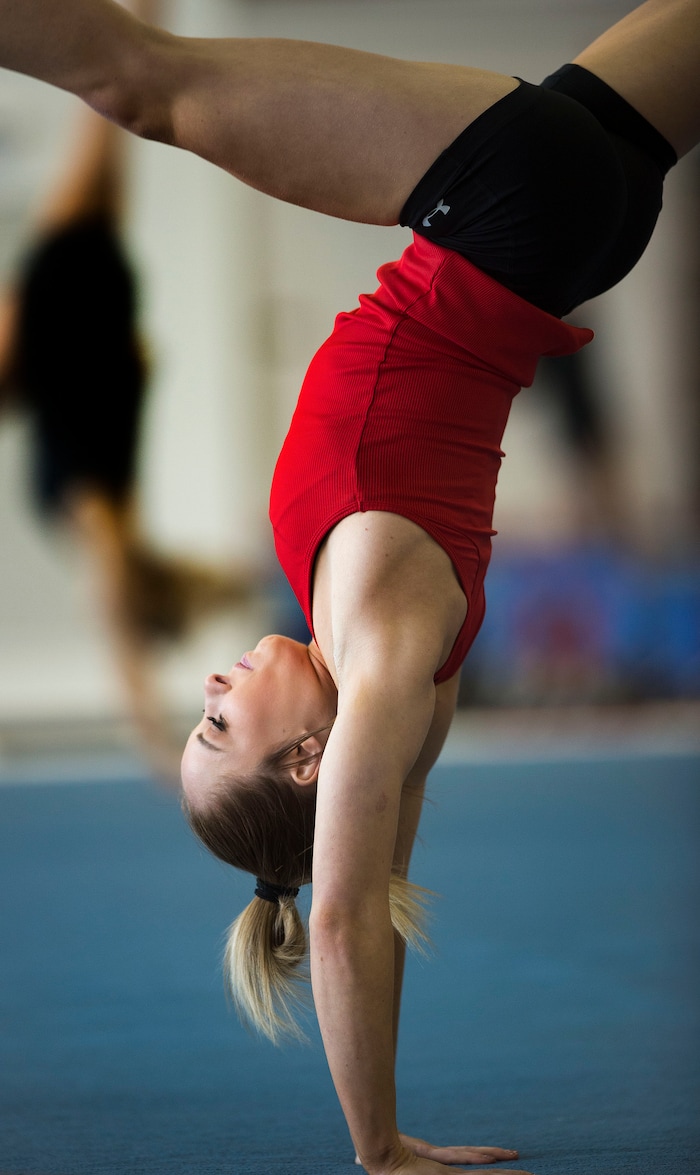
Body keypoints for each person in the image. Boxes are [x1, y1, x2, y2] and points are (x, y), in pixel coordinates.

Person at [1, 1, 698, 1171]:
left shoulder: (395, 685)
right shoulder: (379, 656)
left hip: (575, 220)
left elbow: (366, 870)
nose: (212, 684)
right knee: (139, 83)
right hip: (496, 216)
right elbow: (343, 910)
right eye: (218, 723)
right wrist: (375, 1143)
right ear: (308, 762)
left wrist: (331, 859)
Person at [0, 48, 260, 784]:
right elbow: (118, 614)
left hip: (79, 318)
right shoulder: (102, 508)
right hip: (82, 315)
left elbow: (116, 618)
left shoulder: (94, 506)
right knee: (116, 99)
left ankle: (142, 20)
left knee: (114, 100)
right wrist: (147, 723)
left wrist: (146, 722)